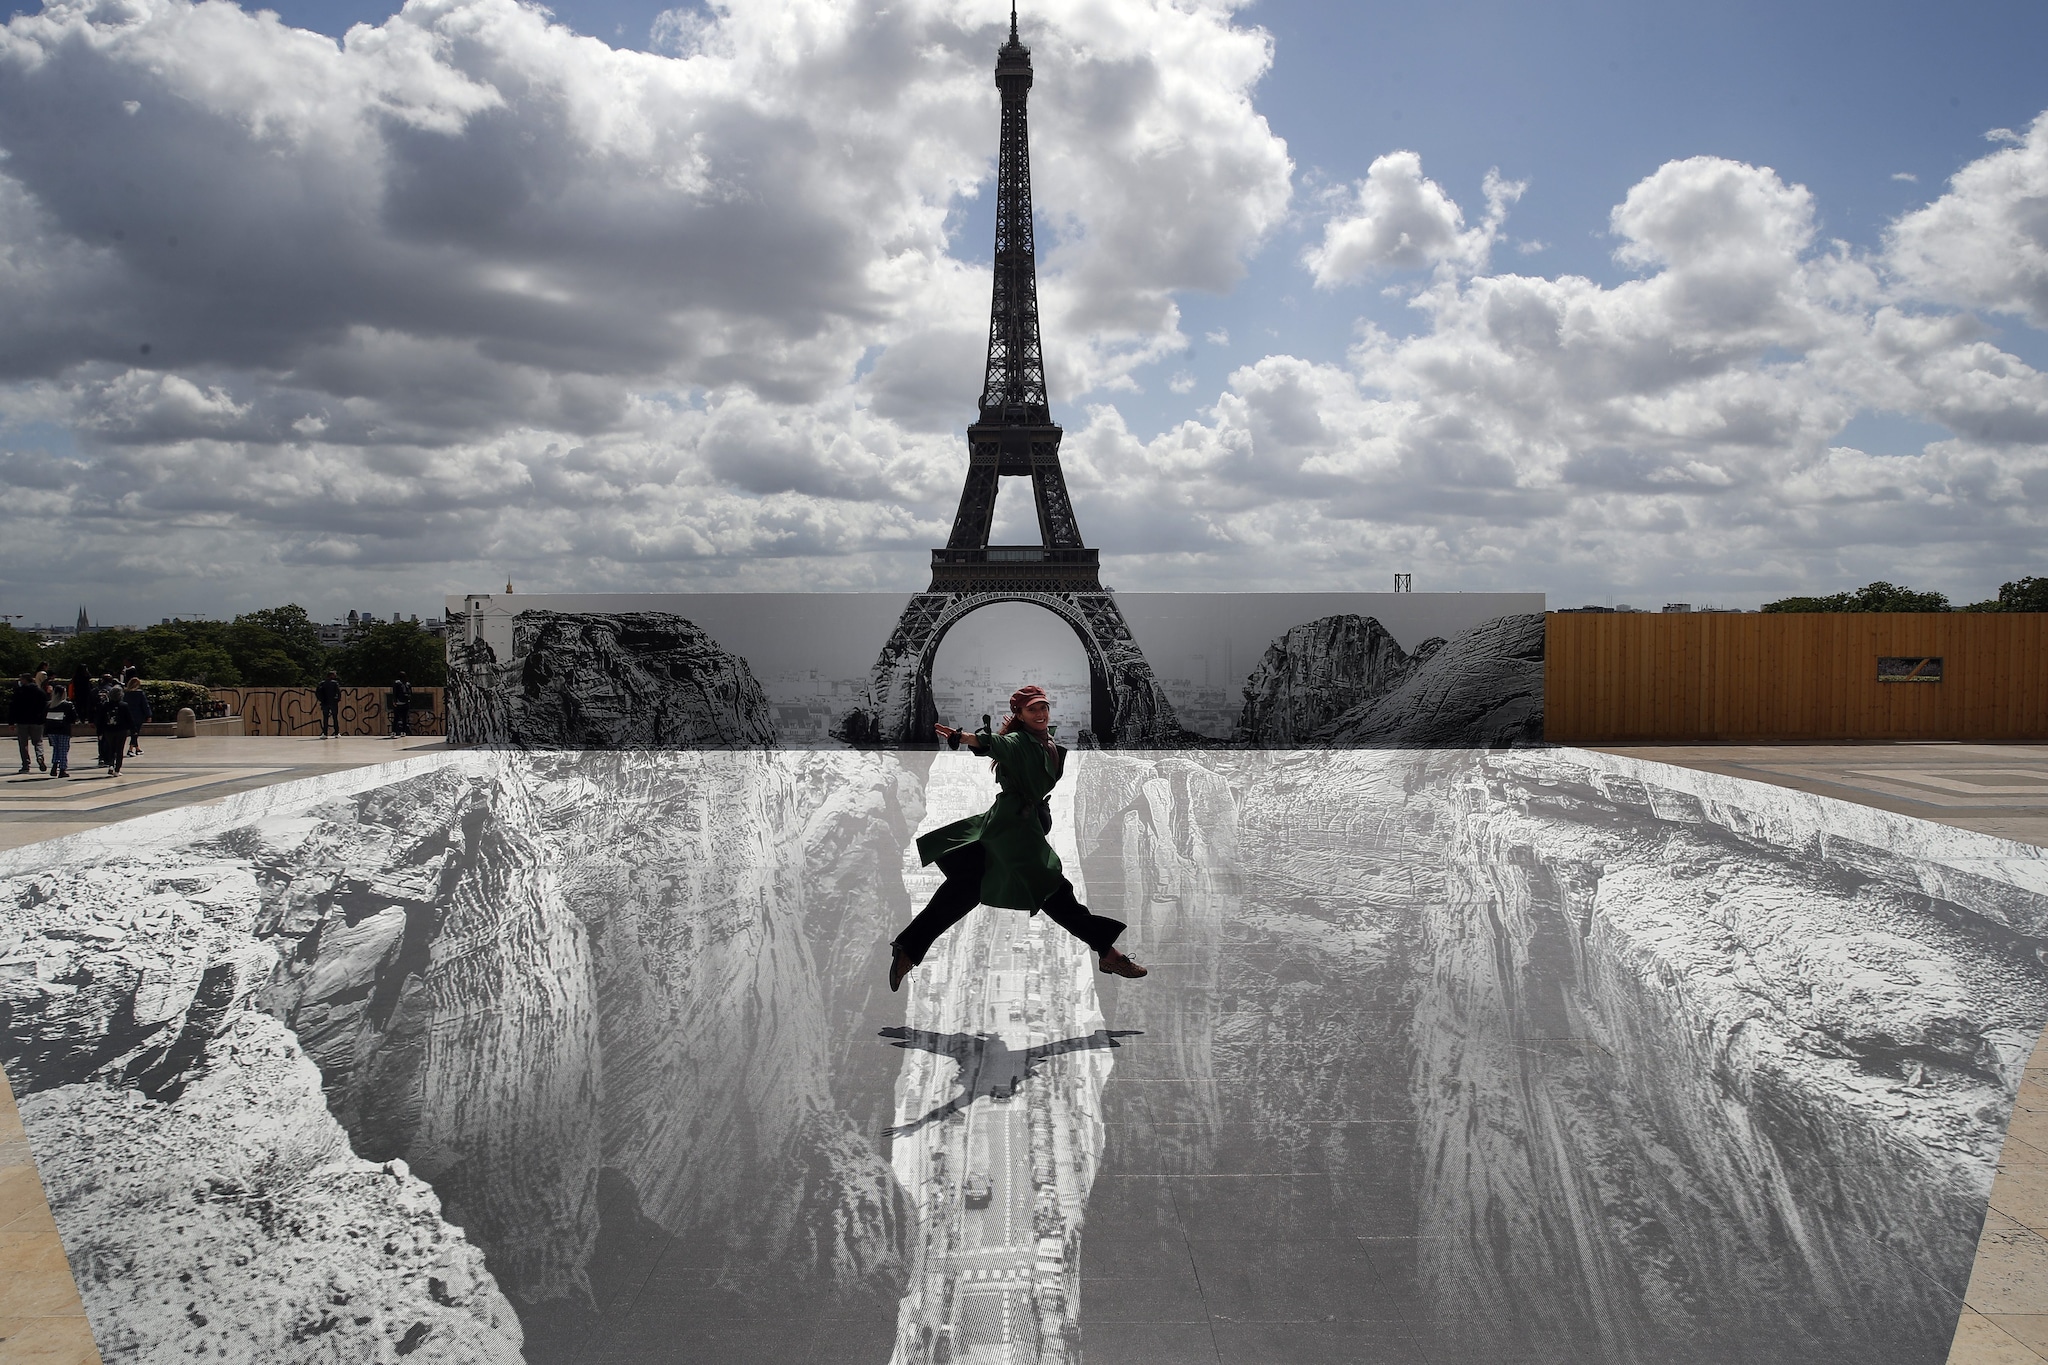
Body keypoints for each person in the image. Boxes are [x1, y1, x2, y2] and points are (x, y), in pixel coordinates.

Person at [888, 684, 1147, 991]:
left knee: (969, 886)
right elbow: (997, 743)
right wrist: (965, 738)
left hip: (1015, 825)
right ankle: (1109, 954)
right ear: (1020, 715)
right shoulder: (1021, 741)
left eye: (1043, 707)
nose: (1040, 713)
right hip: (1014, 830)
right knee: (1052, 891)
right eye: (1032, 709)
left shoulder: (1045, 741)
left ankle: (908, 947)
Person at [12, 672, 47, 774]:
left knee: (23, 744)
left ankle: (25, 765)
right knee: (38, 741)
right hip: (37, 721)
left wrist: (11, 721)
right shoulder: (39, 691)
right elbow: (44, 705)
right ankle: (40, 755)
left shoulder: (19, 691)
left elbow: (13, 706)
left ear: (25, 680)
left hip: (22, 721)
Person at [44, 682, 77, 779]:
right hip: (63, 730)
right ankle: (62, 769)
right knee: (63, 749)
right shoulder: (67, 705)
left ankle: (54, 766)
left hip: (51, 730)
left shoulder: (49, 705)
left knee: (56, 748)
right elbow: (73, 717)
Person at [96, 674, 127, 776]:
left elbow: (100, 719)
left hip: (108, 730)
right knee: (119, 750)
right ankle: (117, 769)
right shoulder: (124, 705)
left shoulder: (105, 705)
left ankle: (110, 765)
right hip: (121, 730)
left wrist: (99, 731)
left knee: (111, 748)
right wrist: (134, 729)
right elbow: (129, 718)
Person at [123, 678, 152, 756]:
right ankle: (130, 749)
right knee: (135, 733)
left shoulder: (125, 693)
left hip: (127, 715)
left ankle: (137, 748)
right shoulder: (139, 693)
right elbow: (145, 705)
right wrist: (148, 715)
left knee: (133, 732)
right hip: (137, 715)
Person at [315, 670, 342, 738]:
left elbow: (318, 692)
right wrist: (337, 700)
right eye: (334, 675)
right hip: (333, 702)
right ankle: (337, 733)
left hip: (325, 702)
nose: (335, 676)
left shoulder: (322, 683)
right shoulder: (335, 683)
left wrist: (321, 700)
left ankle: (325, 733)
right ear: (331, 675)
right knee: (335, 718)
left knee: (325, 718)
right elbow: (338, 693)